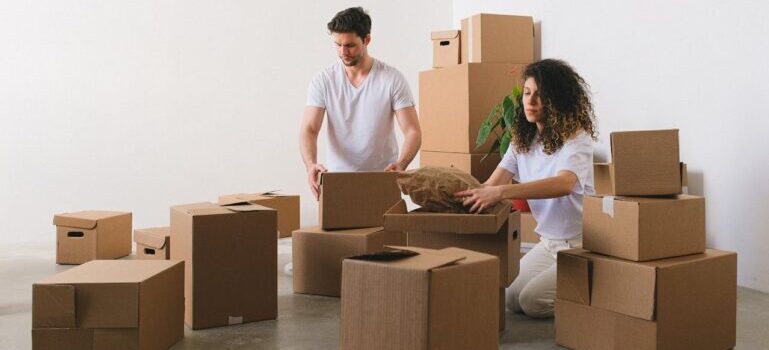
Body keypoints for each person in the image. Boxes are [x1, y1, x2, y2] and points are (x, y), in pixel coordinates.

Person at [455, 59, 597, 318]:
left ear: (558, 100)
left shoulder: (577, 139)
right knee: (511, 297)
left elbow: (565, 183)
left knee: (533, 302)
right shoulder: (522, 140)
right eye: (528, 93)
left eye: (540, 95)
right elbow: (491, 184)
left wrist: (502, 193)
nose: (530, 102)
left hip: (581, 244)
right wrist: (456, 193)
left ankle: (599, 297)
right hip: (548, 243)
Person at [300, 6, 421, 200]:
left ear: (367, 40)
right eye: (337, 45)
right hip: (337, 180)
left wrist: (401, 164)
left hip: (381, 179)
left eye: (350, 45)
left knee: (383, 230)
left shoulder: (392, 79)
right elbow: (309, 129)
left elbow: (413, 131)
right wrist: (310, 165)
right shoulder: (323, 80)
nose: (342, 52)